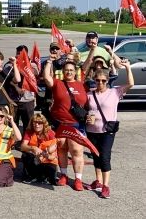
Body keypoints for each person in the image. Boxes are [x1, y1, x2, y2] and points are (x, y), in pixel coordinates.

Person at [85, 60, 133, 199]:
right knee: (96, 156)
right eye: (97, 80)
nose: (100, 83)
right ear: (94, 80)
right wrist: (86, 118)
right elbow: (85, 111)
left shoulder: (115, 92)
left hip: (107, 130)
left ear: (107, 81)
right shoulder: (90, 94)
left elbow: (131, 84)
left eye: (103, 81)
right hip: (92, 130)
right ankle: (98, 181)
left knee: (105, 157)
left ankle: (105, 186)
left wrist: (128, 68)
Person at [43, 58, 88, 191]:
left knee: (76, 150)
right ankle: (63, 175)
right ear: (63, 72)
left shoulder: (82, 85)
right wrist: (49, 63)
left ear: (75, 72)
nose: (69, 72)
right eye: (66, 70)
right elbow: (46, 77)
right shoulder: (58, 83)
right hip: (60, 123)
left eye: (71, 70)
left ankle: (78, 179)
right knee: (62, 148)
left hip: (76, 123)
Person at [20, 113, 57, 184]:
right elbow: (22, 146)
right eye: (34, 122)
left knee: (52, 179)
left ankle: (42, 176)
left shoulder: (50, 133)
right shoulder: (29, 132)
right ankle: (32, 175)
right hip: (34, 157)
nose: (37, 125)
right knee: (25, 155)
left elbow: (55, 146)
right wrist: (33, 148)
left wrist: (46, 152)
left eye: (39, 123)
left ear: (44, 124)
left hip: (47, 157)